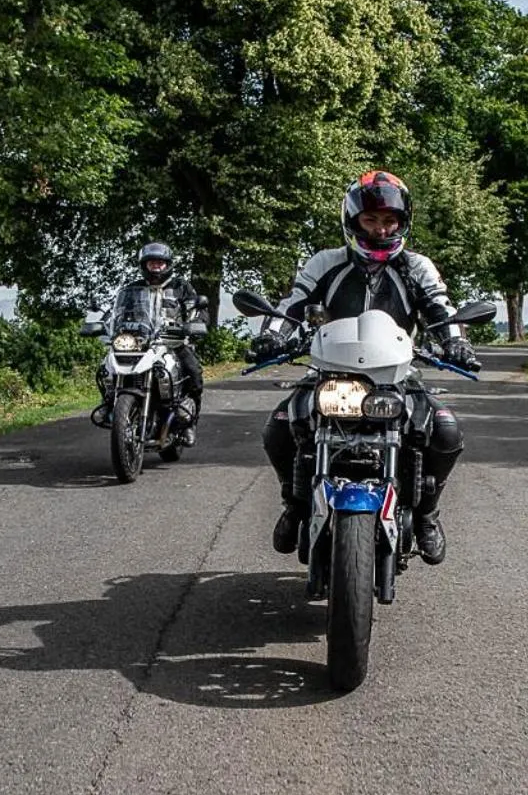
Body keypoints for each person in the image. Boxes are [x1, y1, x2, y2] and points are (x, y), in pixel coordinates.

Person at [252, 170, 480, 565]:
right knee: (280, 426)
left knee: (445, 430)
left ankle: (426, 514)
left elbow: (442, 307)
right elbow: (293, 303)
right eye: (371, 220)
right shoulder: (327, 262)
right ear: (353, 221)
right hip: (329, 373)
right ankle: (294, 502)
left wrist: (456, 341)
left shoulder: (416, 267)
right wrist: (272, 334)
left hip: (396, 376)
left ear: (402, 222)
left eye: (389, 220)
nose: (380, 229)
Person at [109, 242, 204, 444]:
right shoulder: (132, 289)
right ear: (144, 265)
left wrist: (195, 324)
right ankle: (110, 405)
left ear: (167, 264)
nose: (156, 267)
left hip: (173, 342)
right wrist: (103, 324)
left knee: (194, 373)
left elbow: (197, 309)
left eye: (160, 263)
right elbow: (116, 314)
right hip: (139, 342)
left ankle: (189, 425)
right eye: (152, 263)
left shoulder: (181, 287)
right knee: (106, 369)